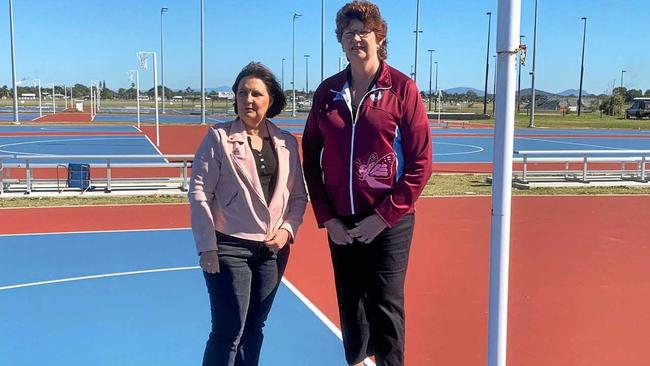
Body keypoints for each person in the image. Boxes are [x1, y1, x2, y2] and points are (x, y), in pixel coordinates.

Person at [302, 1, 432, 365]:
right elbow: (310, 158)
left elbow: (421, 163)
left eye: (363, 32)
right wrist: (328, 218)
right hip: (341, 221)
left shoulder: (402, 90)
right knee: (351, 303)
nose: (356, 39)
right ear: (340, 41)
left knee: (385, 304)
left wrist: (383, 217)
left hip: (389, 221)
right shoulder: (327, 93)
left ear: (379, 36)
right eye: (348, 33)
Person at [189, 62, 308, 366]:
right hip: (229, 248)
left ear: (271, 99)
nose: (248, 99)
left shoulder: (286, 142)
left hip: (272, 251)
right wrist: (207, 247)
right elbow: (200, 193)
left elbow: (298, 197)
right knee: (228, 331)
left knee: (255, 329)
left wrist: (286, 231)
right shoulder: (219, 138)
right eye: (242, 92)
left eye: (256, 93)